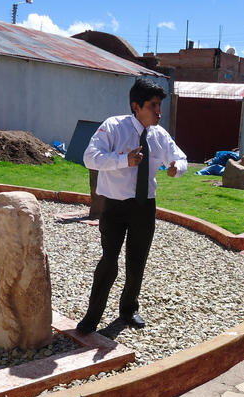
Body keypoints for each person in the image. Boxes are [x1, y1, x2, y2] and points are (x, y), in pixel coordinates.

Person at [77, 78, 187, 333]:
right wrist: (122, 160)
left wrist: (176, 168)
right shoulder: (113, 127)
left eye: (160, 105)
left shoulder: (160, 135)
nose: (159, 112)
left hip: (144, 208)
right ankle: (92, 317)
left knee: (137, 261)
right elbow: (89, 157)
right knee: (108, 261)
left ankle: (128, 310)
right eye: (153, 106)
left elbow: (180, 158)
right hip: (115, 206)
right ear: (136, 106)